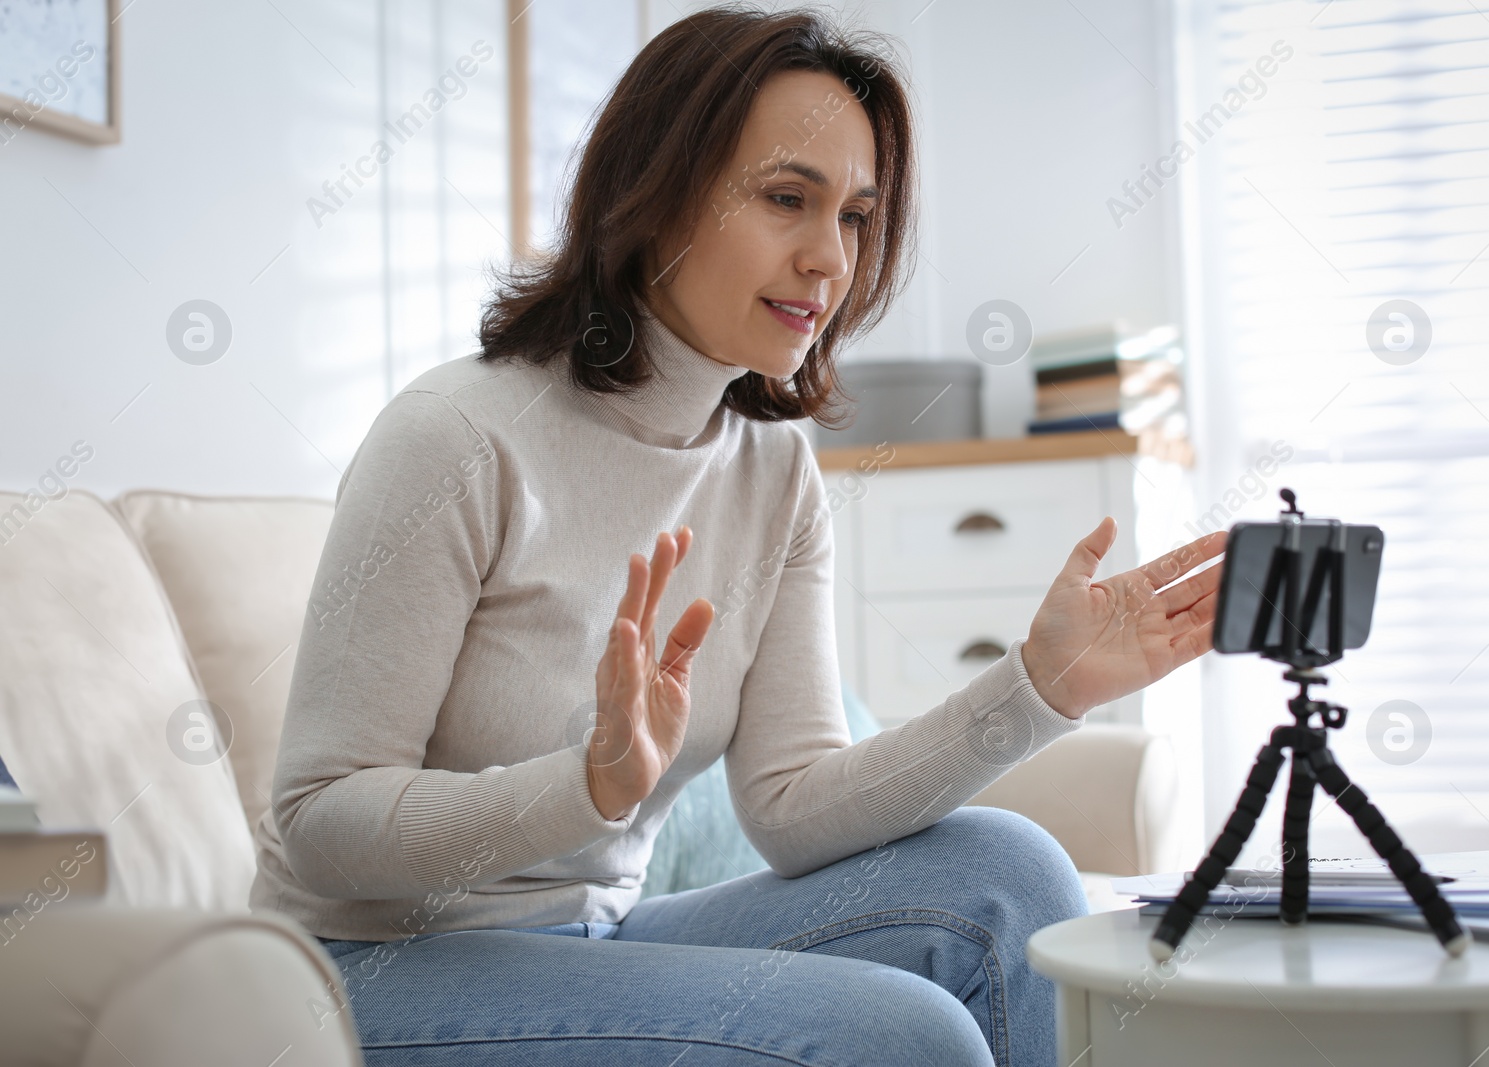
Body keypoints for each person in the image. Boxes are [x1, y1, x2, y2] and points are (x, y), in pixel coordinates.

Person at [248, 5, 1224, 1065]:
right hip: (361, 971)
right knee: (904, 1035)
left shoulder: (771, 471)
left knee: (1012, 873)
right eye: (784, 198)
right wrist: (583, 787)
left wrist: (1039, 687)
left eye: (853, 215)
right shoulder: (456, 438)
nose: (829, 259)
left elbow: (793, 804)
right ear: (652, 192)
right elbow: (319, 815)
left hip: (593, 939)